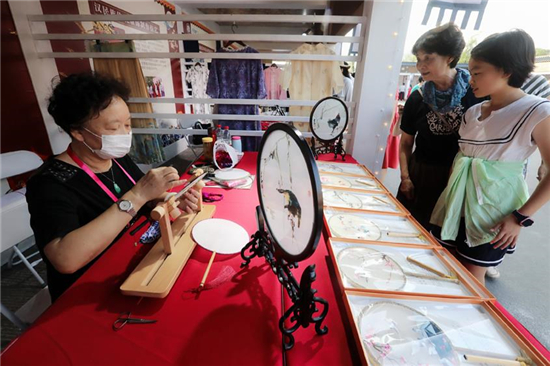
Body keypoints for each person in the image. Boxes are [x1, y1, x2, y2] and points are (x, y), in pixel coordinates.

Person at [26, 72, 201, 302]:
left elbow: (146, 199)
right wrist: (138, 195)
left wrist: (171, 197)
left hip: (137, 262)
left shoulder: (115, 158)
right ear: (78, 132)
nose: (124, 134)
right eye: (112, 128)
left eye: (128, 124)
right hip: (89, 290)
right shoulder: (49, 183)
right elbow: (65, 259)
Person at [430, 30, 550, 285]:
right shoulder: (473, 112)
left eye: (478, 72)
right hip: (457, 204)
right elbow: (463, 157)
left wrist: (520, 217)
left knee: (472, 278)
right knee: (446, 269)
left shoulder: (537, 110)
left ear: (506, 70)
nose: (470, 79)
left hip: (495, 211)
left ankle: (469, 325)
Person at [397, 23, 483, 229]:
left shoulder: (476, 94)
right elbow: (406, 142)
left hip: (459, 177)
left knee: (444, 239)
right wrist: (405, 177)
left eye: (428, 58)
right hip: (421, 176)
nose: (420, 65)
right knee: (411, 230)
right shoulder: (417, 97)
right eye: (418, 59)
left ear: (450, 58)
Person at [486, 72, 550, 279]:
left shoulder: (539, 93)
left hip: (510, 171)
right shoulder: (487, 86)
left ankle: (490, 259)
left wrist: (543, 163)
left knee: (500, 225)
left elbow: (544, 125)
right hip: (481, 169)